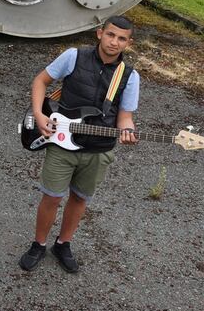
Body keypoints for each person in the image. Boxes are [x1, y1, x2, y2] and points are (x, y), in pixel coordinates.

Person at [19, 15, 140, 273]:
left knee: (80, 198)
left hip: (98, 150)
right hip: (62, 144)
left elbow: (125, 118)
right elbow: (40, 81)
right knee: (51, 196)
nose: (114, 42)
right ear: (99, 33)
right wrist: (39, 115)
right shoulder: (73, 56)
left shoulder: (129, 76)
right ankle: (38, 244)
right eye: (110, 35)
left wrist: (128, 131)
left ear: (128, 43)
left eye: (121, 39)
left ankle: (63, 244)